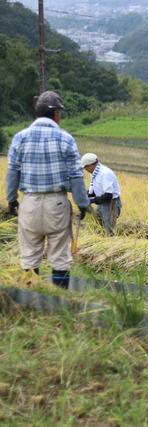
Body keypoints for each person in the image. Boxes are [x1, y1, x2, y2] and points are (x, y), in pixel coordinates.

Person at [5, 91, 89, 289]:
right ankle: (59, 302)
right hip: (57, 204)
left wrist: (11, 200)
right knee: (60, 257)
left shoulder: (20, 138)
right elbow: (76, 176)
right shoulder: (66, 139)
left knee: (30, 256)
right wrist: (83, 204)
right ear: (57, 114)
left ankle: (31, 299)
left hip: (30, 204)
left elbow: (12, 172)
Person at [80, 153, 121, 236]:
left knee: (108, 228)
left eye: (85, 167)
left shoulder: (104, 174)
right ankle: (101, 239)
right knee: (97, 222)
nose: (85, 169)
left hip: (111, 203)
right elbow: (95, 189)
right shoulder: (94, 173)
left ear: (91, 165)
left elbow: (108, 196)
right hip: (102, 201)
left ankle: (111, 245)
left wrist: (92, 200)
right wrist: (85, 195)